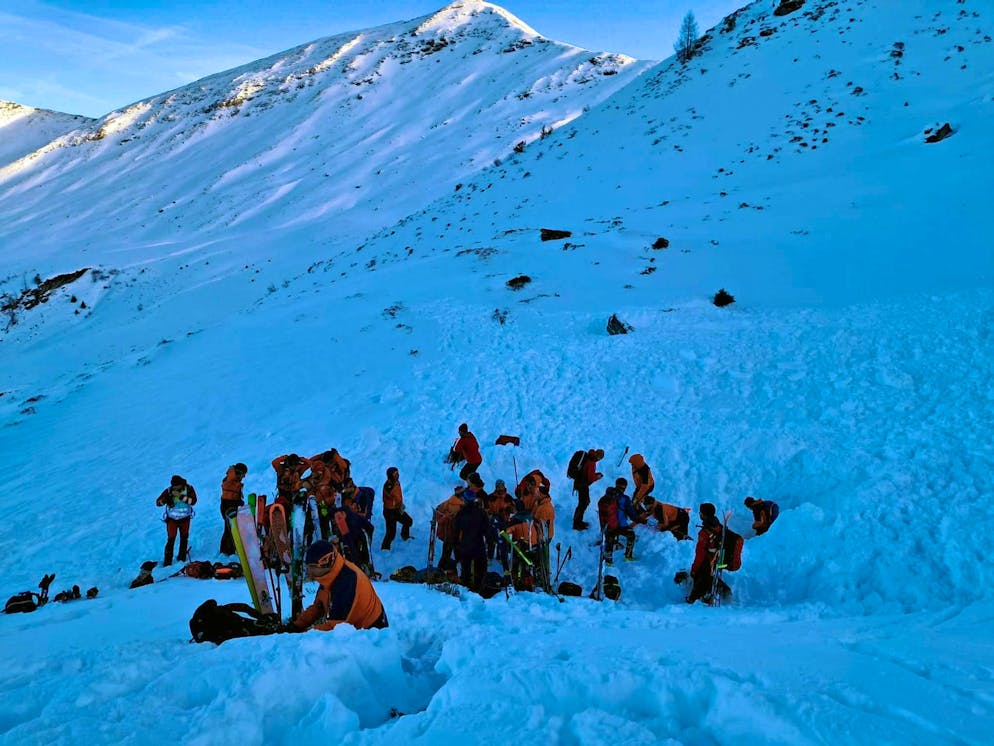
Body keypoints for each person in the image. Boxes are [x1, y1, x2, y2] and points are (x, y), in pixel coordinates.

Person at [289, 540, 388, 632]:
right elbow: (318, 607)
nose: (308, 572)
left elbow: (334, 628)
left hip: (373, 634)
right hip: (355, 628)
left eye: (313, 567)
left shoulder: (346, 582)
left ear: (326, 562)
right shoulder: (332, 574)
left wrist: (304, 635)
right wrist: (297, 625)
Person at [453, 483, 494, 594]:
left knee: (465, 570)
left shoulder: (460, 513)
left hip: (465, 545)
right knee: (480, 569)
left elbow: (455, 532)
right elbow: (488, 531)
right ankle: (479, 588)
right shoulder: (481, 513)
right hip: (478, 544)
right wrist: (490, 548)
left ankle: (466, 589)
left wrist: (456, 549)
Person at [687, 502, 730, 604]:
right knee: (709, 577)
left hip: (707, 560)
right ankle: (722, 592)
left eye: (700, 512)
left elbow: (700, 553)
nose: (699, 514)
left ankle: (693, 599)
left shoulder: (705, 532)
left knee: (700, 577)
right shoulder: (718, 525)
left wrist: (694, 568)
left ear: (704, 514)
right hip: (717, 558)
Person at [155, 475, 198, 566]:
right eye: (173, 486)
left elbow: (193, 501)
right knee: (171, 540)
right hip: (172, 520)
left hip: (185, 519)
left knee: (184, 538)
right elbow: (158, 503)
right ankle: (167, 562)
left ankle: (182, 558)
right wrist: (165, 500)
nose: (174, 488)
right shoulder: (169, 491)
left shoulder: (189, 489)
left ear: (181, 484)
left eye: (176, 486)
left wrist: (181, 496)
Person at [607, 477, 642, 563]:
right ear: (625, 487)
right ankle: (628, 556)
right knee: (631, 535)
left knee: (610, 539)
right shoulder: (625, 499)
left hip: (610, 526)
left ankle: (608, 561)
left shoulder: (608, 494)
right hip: (621, 526)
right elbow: (631, 514)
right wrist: (640, 520)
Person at [434, 485, 467, 573]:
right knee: (451, 552)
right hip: (452, 533)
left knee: (447, 553)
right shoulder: (457, 505)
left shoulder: (449, 502)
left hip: (449, 533)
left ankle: (443, 569)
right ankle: (444, 569)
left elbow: (437, 510)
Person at [381, 466, 413, 550]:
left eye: (398, 473)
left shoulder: (396, 482)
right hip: (390, 512)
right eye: (395, 474)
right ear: (390, 475)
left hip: (396, 509)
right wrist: (400, 505)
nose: (398, 475)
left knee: (408, 521)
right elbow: (395, 497)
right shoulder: (389, 486)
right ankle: (385, 548)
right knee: (391, 533)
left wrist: (400, 506)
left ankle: (404, 536)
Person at [572, 448, 604, 531]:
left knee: (584, 502)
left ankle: (578, 521)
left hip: (579, 482)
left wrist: (595, 475)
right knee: (583, 503)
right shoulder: (592, 462)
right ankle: (577, 523)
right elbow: (590, 478)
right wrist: (597, 476)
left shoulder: (588, 457)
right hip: (582, 484)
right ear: (599, 457)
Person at [219, 463, 248, 555]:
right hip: (228, 506)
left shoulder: (232, 479)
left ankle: (229, 549)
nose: (244, 476)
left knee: (230, 527)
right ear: (239, 472)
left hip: (229, 505)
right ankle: (227, 550)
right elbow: (229, 496)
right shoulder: (231, 480)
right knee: (230, 528)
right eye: (243, 474)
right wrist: (238, 502)